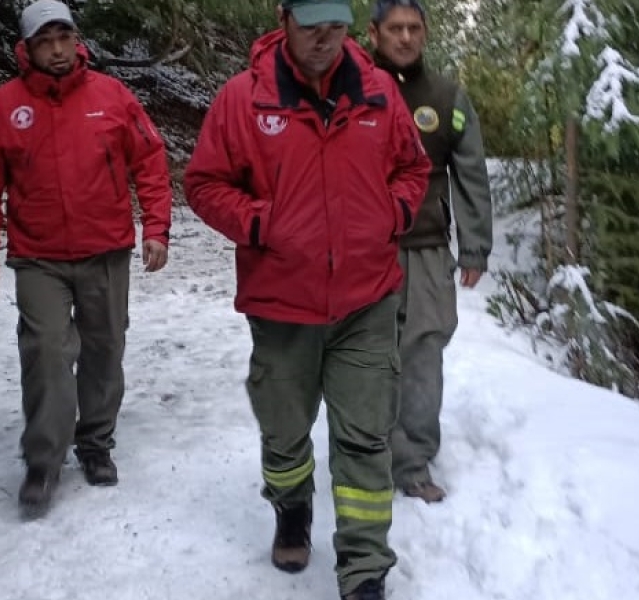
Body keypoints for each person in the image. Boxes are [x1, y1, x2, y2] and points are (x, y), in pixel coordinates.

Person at [183, 1, 430, 598]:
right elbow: (203, 183)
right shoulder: (244, 99)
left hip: (366, 300)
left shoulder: (378, 95)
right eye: (310, 24)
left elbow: (413, 170)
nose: (324, 38)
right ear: (283, 18)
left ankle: (365, 567)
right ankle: (292, 508)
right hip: (281, 304)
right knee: (286, 432)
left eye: (336, 25)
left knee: (365, 436)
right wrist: (261, 225)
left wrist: (390, 213)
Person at [0, 0, 173, 520]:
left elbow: (149, 158)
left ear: (76, 40)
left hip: (105, 248)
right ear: (27, 48)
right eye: (45, 41)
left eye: (64, 37)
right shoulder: (2, 107)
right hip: (39, 257)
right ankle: (43, 460)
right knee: (47, 352)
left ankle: (96, 441)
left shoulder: (111, 96)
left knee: (104, 346)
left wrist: (157, 227)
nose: (57, 49)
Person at [367, 0, 494, 503]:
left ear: (425, 32)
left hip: (424, 252)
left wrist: (475, 246)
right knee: (366, 356)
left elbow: (472, 173)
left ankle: (413, 461)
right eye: (394, 28)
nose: (404, 38)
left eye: (413, 28)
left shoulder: (447, 97)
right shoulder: (347, 89)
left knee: (422, 355)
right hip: (362, 252)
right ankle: (366, 452)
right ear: (373, 33)